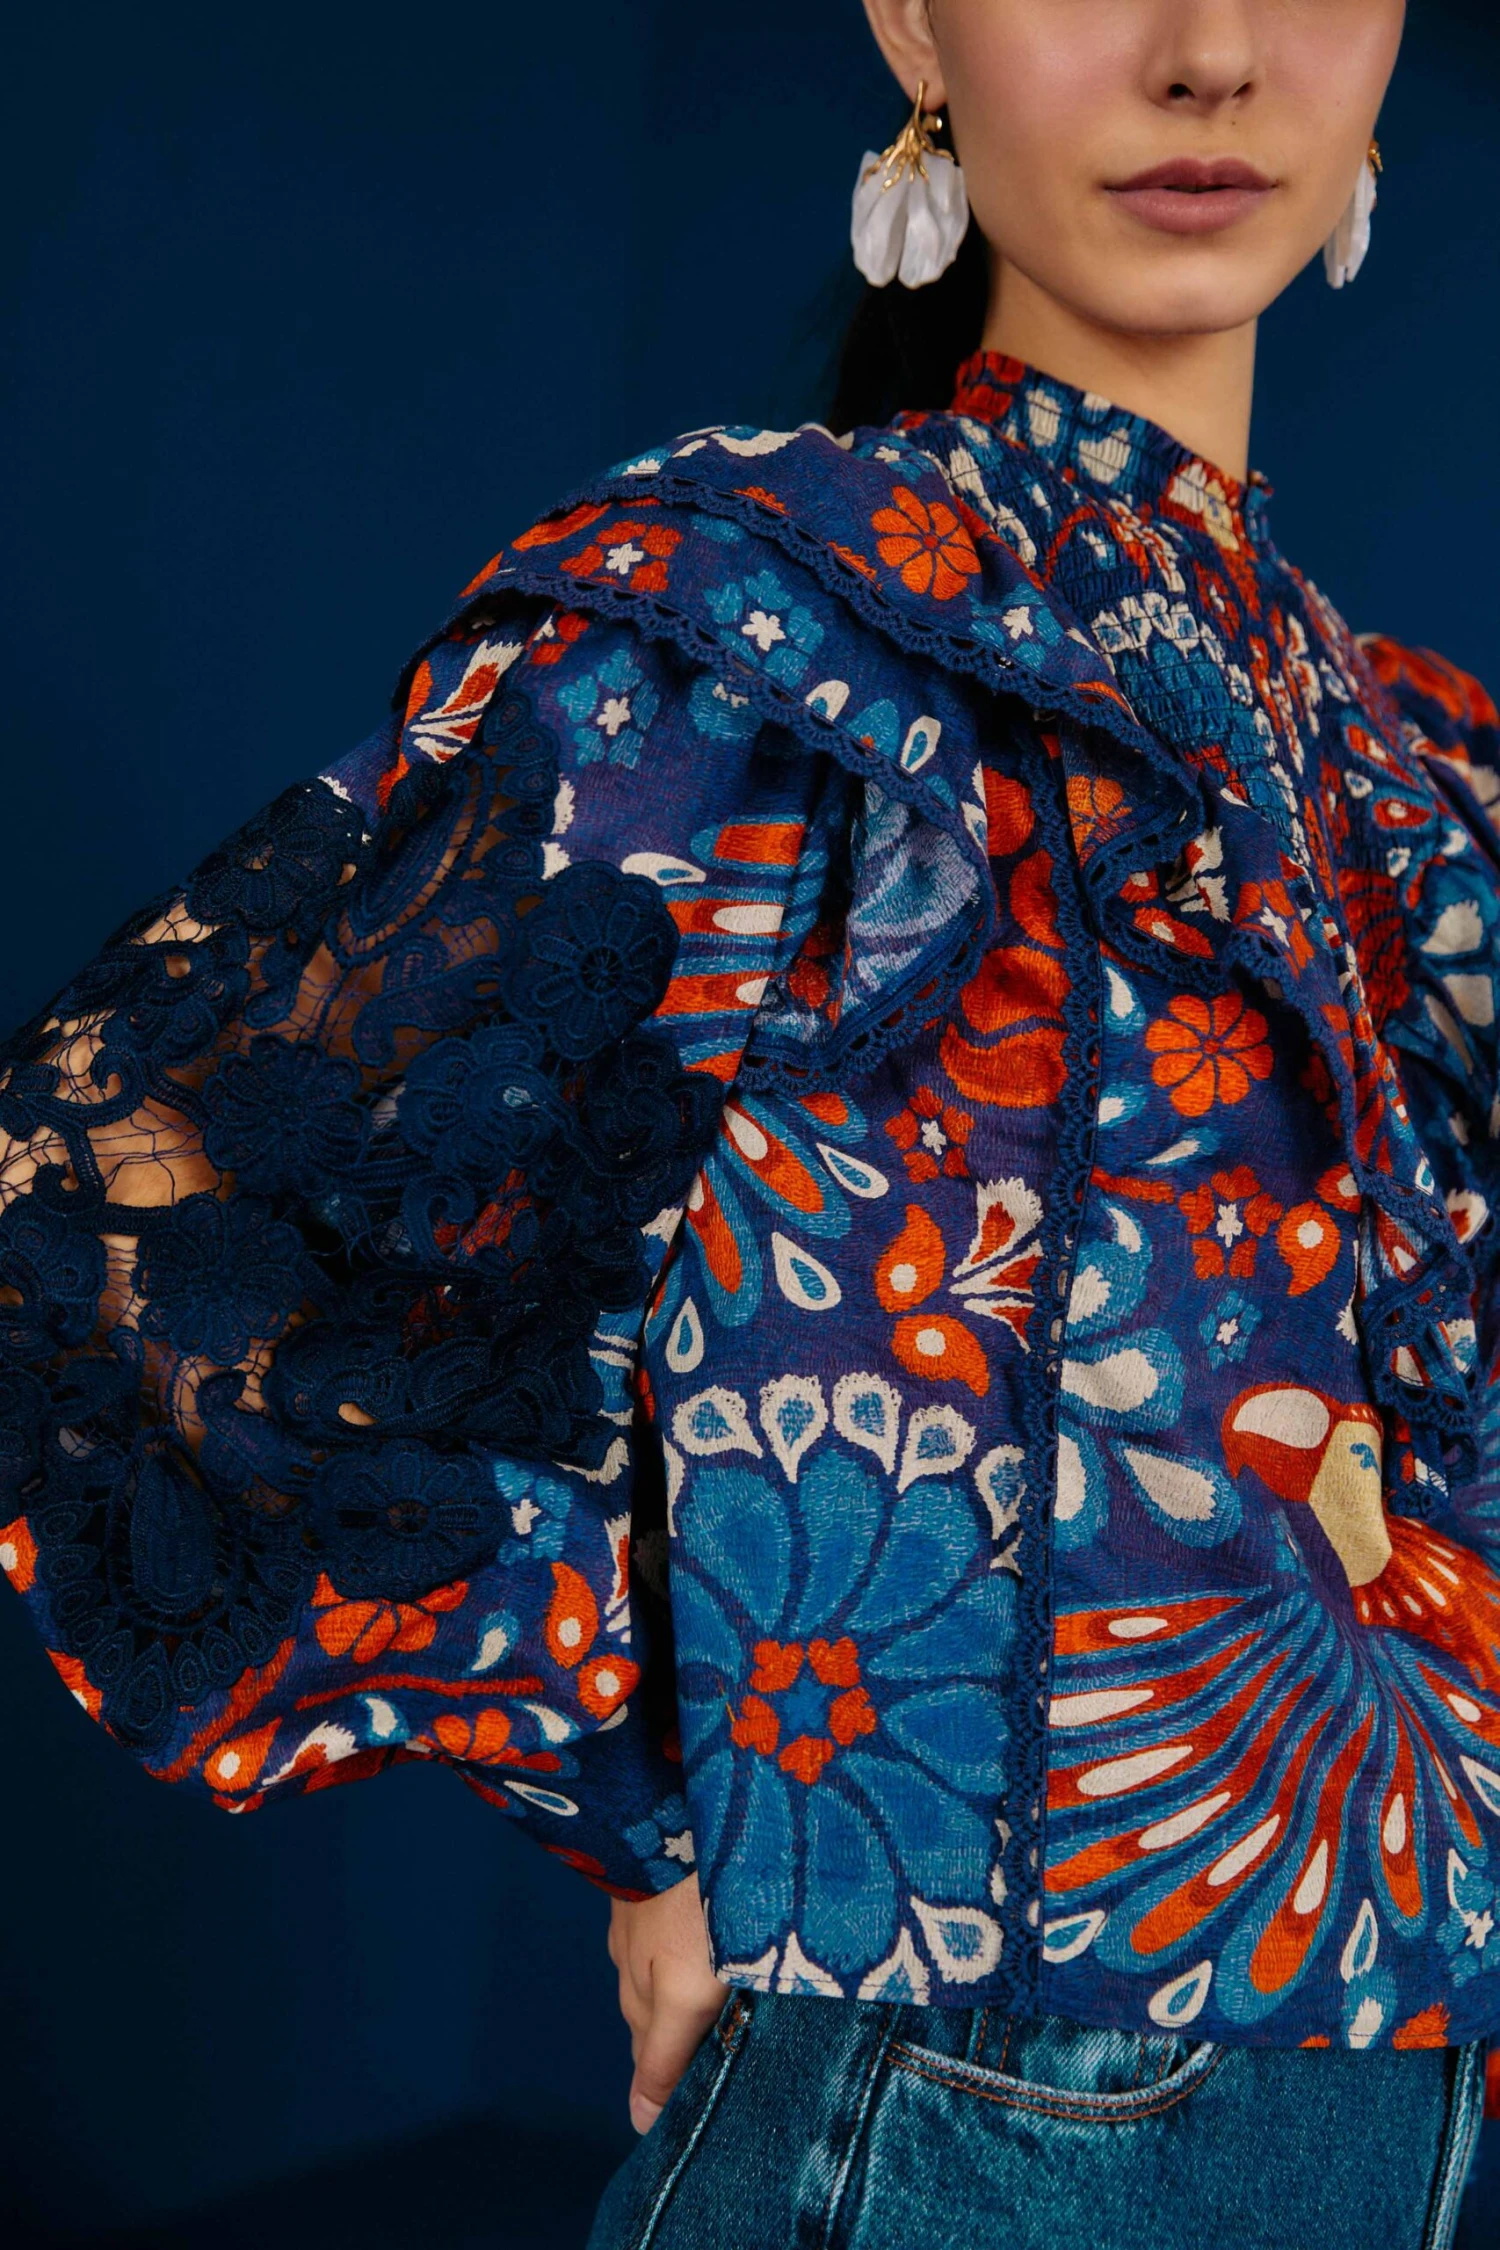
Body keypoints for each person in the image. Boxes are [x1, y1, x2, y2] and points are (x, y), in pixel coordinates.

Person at [2, 0, 1495, 2240]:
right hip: (986, 2112)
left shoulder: (1394, 755)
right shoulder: (784, 619)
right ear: (911, 17)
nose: (1210, 52)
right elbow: (125, 1194)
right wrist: (661, 1806)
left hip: (1406, 2109)